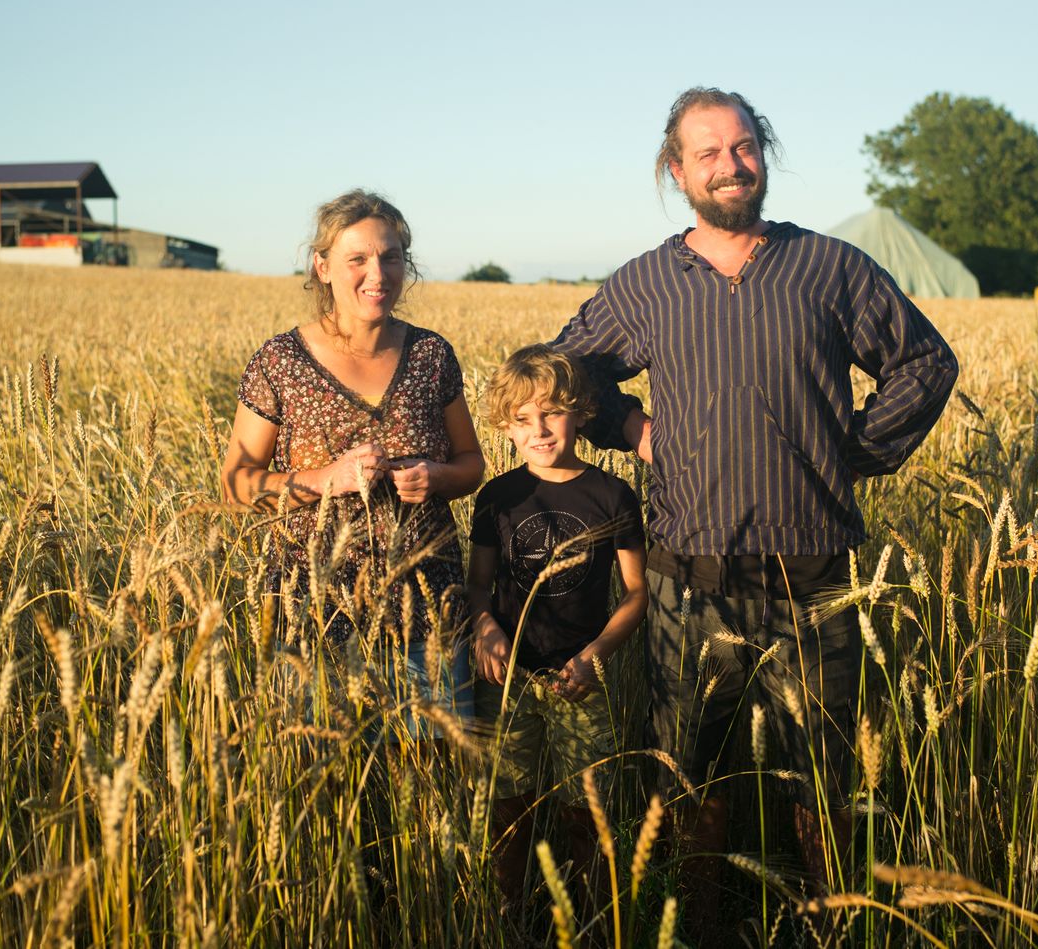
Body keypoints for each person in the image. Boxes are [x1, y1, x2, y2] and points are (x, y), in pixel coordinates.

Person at [551, 88, 959, 917]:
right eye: (708, 153)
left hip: (814, 576)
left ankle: (835, 927)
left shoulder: (831, 267)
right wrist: (631, 425)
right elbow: (564, 370)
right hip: (685, 577)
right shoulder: (648, 283)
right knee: (691, 779)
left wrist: (848, 454)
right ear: (677, 171)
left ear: (762, 155)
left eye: (743, 148)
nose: (730, 166)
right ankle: (695, 924)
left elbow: (925, 363)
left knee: (830, 780)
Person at [221, 189, 485, 722]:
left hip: (427, 604)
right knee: (327, 777)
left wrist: (435, 477)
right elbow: (235, 486)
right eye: (357, 259)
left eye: (391, 257)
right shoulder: (280, 362)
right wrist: (326, 479)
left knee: (428, 768)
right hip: (315, 608)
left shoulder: (432, 355)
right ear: (322, 267)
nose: (378, 274)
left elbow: (471, 464)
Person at [466, 345, 648, 916]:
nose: (539, 430)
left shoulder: (612, 495)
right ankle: (511, 915)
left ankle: (592, 919)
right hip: (508, 676)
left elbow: (637, 592)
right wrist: (484, 628)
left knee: (586, 812)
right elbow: (478, 586)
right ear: (505, 427)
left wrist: (597, 654)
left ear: (580, 413)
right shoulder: (498, 496)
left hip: (580, 678)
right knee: (508, 807)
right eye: (522, 419)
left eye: (551, 413)